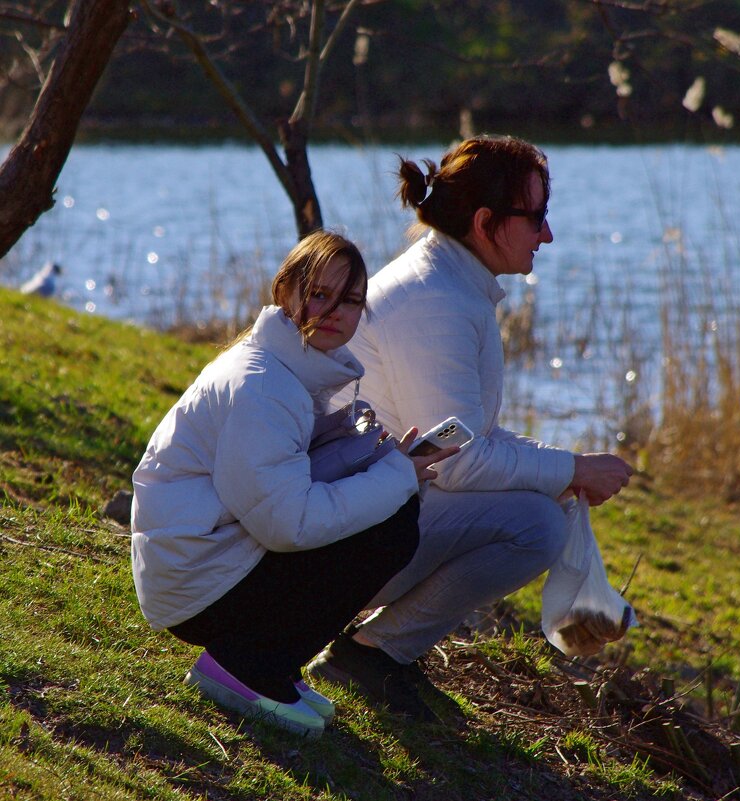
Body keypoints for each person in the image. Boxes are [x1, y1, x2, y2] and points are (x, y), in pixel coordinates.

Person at [308, 135, 634, 717]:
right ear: (486, 222)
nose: (547, 235)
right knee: (534, 525)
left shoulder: (450, 285)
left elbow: (457, 440)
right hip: (330, 551)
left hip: (355, 521)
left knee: (542, 503)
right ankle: (374, 654)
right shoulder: (435, 302)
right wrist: (572, 469)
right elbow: (459, 463)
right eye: (536, 218)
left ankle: (380, 651)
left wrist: (563, 472)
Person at [130, 230, 454, 736]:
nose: (334, 312)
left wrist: (377, 458)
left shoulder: (289, 369)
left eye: (350, 300)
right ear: (285, 292)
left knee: (392, 511)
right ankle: (244, 666)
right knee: (389, 528)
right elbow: (289, 524)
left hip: (207, 557)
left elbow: (284, 482)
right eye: (319, 294)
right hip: (196, 581)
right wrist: (393, 476)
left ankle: (271, 660)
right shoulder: (262, 385)